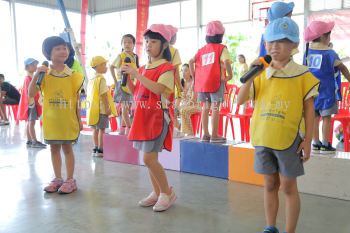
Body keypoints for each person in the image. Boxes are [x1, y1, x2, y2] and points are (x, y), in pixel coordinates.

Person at [237, 17, 319, 233]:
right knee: (270, 184)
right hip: (263, 138)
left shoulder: (302, 74)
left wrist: (308, 140)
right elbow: (240, 100)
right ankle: (270, 226)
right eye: (270, 42)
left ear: (294, 45)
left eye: (282, 41)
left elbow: (310, 110)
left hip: (289, 139)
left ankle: (290, 230)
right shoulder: (260, 73)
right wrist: (251, 73)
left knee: (289, 187)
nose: (274, 46)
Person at [121, 24, 176, 212]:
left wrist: (137, 74)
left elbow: (159, 89)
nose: (148, 45)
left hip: (157, 117)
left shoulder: (167, 68)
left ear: (164, 45)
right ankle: (157, 192)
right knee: (149, 159)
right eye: (146, 41)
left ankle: (166, 193)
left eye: (153, 41)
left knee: (149, 159)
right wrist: (128, 78)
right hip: (142, 116)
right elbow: (136, 91)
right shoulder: (144, 68)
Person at [28, 36, 84, 194]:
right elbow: (31, 93)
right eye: (57, 48)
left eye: (64, 48)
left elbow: (77, 100)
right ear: (48, 53)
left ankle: (70, 180)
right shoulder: (44, 74)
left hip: (68, 121)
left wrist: (79, 121)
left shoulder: (74, 75)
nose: (62, 51)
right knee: (53, 149)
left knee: (67, 149)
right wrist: (36, 75)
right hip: (51, 121)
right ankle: (58, 178)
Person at [304, 20, 350, 153]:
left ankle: (315, 143)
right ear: (324, 37)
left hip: (311, 92)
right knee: (327, 118)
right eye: (329, 36)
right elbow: (343, 68)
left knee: (314, 118)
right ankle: (325, 143)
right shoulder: (330, 54)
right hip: (327, 93)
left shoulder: (308, 52)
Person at [189, 20, 233, 143]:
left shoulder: (201, 50)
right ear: (221, 35)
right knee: (215, 108)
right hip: (215, 83)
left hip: (203, 84)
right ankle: (214, 135)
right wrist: (229, 75)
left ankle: (206, 134)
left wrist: (194, 76)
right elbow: (226, 62)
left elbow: (191, 62)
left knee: (205, 108)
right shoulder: (221, 48)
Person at [87, 56, 116, 157]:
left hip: (93, 110)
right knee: (102, 129)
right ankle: (100, 149)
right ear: (98, 66)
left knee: (94, 129)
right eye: (104, 65)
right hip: (102, 109)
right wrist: (107, 108)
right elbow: (104, 95)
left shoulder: (91, 79)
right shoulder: (101, 79)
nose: (106, 67)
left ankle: (95, 148)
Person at [110, 34, 139, 135]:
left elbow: (138, 70)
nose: (127, 44)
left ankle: (123, 128)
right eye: (124, 42)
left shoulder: (135, 57)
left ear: (134, 44)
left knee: (129, 106)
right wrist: (115, 80)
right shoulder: (121, 56)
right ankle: (129, 127)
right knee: (125, 107)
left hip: (132, 84)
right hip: (122, 83)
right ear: (121, 44)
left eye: (129, 42)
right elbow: (111, 67)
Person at [17, 58, 46, 148]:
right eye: (33, 65)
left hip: (31, 103)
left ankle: (29, 140)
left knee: (29, 122)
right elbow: (28, 93)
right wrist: (32, 104)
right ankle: (34, 141)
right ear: (27, 67)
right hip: (31, 104)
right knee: (31, 122)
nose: (35, 66)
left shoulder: (31, 77)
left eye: (35, 64)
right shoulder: (28, 78)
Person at [166, 25, 182, 132]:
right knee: (169, 106)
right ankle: (172, 130)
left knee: (160, 107)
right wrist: (179, 86)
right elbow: (175, 71)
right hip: (169, 84)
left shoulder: (157, 49)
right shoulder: (174, 51)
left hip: (156, 83)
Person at [179, 64, 201, 136]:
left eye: (186, 70)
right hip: (185, 105)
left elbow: (194, 99)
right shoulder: (181, 83)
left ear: (190, 72)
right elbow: (179, 98)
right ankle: (178, 132)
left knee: (183, 110)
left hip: (195, 105)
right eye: (182, 71)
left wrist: (183, 106)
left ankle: (189, 133)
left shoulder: (194, 82)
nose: (183, 73)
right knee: (174, 110)